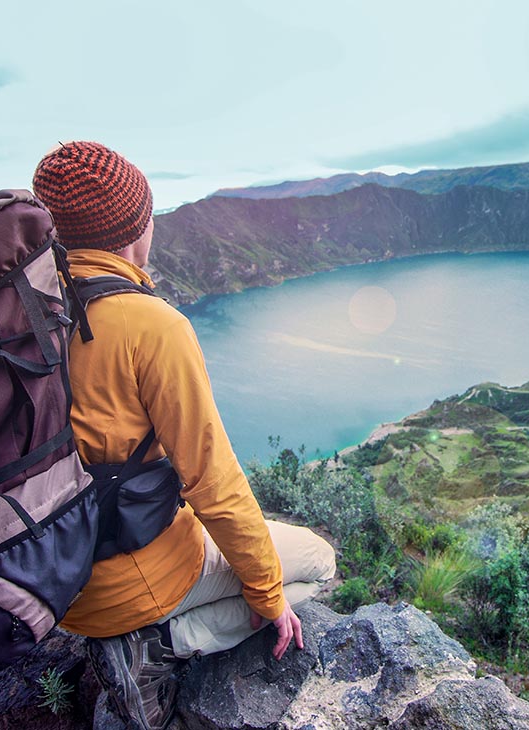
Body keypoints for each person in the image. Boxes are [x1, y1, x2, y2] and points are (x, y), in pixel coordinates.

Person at [32, 141, 336, 730]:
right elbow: (213, 484)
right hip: (132, 583)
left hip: (44, 578)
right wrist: (269, 600)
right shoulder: (150, 324)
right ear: (135, 229)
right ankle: (161, 644)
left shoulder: (22, 313)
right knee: (319, 562)